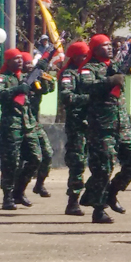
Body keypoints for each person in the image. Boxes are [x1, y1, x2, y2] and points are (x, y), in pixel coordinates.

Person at [78, 34, 131, 224]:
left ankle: (112, 192)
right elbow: (85, 85)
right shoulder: (89, 68)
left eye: (110, 45)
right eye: (104, 46)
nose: (109, 48)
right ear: (95, 49)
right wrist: (108, 82)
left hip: (121, 124)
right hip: (102, 126)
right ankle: (99, 210)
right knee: (104, 167)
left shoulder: (115, 65)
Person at [0, 47, 40, 210]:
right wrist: (16, 90)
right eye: (16, 59)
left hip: (28, 124)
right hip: (11, 125)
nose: (20, 61)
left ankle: (19, 190)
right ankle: (8, 196)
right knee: (11, 162)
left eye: (21, 58)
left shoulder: (26, 76)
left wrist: (40, 73)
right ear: (8, 61)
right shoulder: (2, 78)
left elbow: (47, 88)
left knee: (36, 158)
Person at [58, 41, 90, 216]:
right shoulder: (69, 75)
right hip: (77, 123)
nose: (84, 59)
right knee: (77, 162)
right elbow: (67, 96)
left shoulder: (89, 72)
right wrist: (89, 98)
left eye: (87, 55)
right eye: (81, 56)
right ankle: (73, 201)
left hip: (94, 122)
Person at [22, 51, 55, 200]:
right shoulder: (18, 79)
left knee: (47, 154)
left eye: (30, 63)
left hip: (34, 124)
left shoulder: (36, 77)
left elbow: (50, 88)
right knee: (24, 160)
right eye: (26, 63)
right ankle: (18, 190)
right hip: (20, 125)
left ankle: (39, 184)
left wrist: (43, 73)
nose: (29, 65)